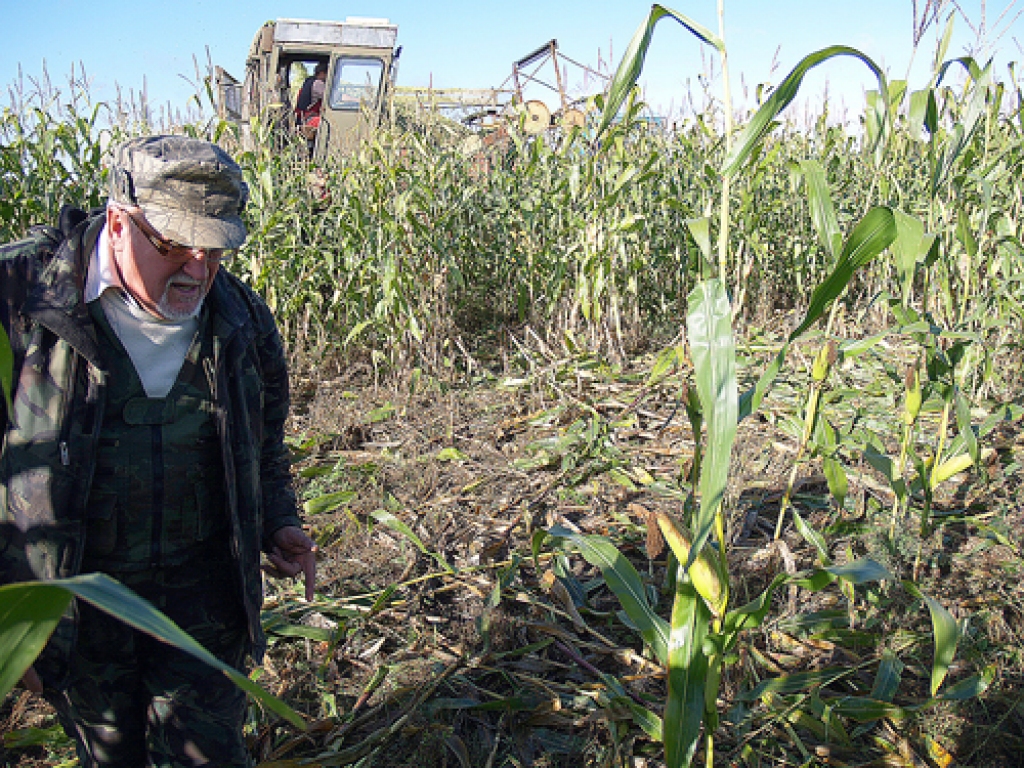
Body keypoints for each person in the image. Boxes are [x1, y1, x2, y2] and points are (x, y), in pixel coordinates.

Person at [0, 135, 317, 767]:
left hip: (203, 596)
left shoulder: (240, 317)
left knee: (210, 755)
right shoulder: (22, 296)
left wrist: (279, 520)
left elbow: (267, 440)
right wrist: (15, 615)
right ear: (120, 220)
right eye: (175, 244)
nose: (198, 269)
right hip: (78, 602)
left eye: (216, 248)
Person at [294, 61, 328, 125]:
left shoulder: (308, 82)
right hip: (309, 118)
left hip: (302, 117)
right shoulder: (318, 83)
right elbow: (330, 97)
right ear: (322, 73)